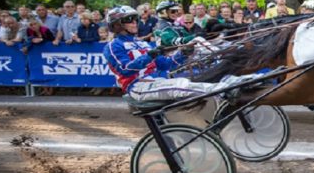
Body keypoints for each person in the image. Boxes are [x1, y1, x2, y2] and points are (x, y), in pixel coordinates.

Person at [103, 6, 256, 102]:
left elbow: (166, 64)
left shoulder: (142, 43)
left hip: (156, 82)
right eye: (129, 20)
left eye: (135, 19)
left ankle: (240, 81)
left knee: (191, 80)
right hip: (137, 87)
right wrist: (151, 55)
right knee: (180, 86)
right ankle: (224, 91)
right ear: (116, 25)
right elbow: (125, 69)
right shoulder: (113, 46)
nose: (134, 22)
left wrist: (183, 53)